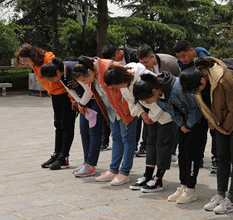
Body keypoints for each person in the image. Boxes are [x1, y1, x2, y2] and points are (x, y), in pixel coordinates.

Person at [180, 57, 233, 214]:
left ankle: (231, 198)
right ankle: (220, 194)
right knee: (221, 157)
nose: (196, 92)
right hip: (220, 124)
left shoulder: (224, 79)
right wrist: (216, 127)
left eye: (196, 90)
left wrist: (227, 127)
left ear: (203, 79)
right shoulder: (197, 81)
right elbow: (205, 108)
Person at [134, 72, 207, 203]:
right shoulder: (159, 96)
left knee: (191, 153)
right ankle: (183, 186)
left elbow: (196, 108)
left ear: (153, 91)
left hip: (198, 120)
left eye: (145, 100)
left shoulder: (178, 88)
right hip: (184, 123)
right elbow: (171, 112)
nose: (146, 103)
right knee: (182, 153)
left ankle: (190, 189)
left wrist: (189, 125)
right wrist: (182, 124)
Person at [72, 57, 137, 186]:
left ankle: (124, 172)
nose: (85, 83)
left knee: (127, 139)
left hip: (125, 109)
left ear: (89, 71)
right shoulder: (94, 72)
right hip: (112, 110)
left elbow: (128, 86)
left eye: (84, 80)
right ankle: (113, 170)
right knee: (116, 138)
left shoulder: (111, 67)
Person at [41, 58, 108, 178]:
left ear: (57, 72)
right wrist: (79, 103)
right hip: (83, 101)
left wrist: (81, 104)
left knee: (94, 133)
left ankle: (91, 164)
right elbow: (70, 90)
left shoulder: (73, 69)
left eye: (51, 79)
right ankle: (86, 163)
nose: (52, 82)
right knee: (84, 132)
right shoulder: (61, 76)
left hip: (95, 99)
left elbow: (89, 89)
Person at [15, 44, 76, 170]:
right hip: (55, 95)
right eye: (22, 61)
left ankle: (64, 157)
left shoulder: (49, 61)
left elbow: (65, 79)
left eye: (25, 60)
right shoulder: (35, 64)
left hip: (66, 95)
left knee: (67, 125)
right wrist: (50, 91)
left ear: (32, 56)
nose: (25, 63)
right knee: (58, 124)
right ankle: (56, 154)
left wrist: (73, 99)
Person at [174, 39, 217, 173]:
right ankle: (198, 158)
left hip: (209, 97)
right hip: (194, 97)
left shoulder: (204, 58)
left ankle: (216, 158)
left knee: (213, 129)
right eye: (179, 57)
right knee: (199, 129)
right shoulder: (182, 63)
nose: (182, 59)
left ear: (191, 51)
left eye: (184, 56)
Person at [135, 44, 181, 158]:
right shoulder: (143, 69)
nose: (144, 66)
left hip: (173, 96)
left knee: (174, 121)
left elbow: (178, 81)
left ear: (153, 57)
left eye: (146, 62)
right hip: (155, 97)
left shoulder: (169, 63)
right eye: (141, 63)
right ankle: (145, 146)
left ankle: (172, 150)